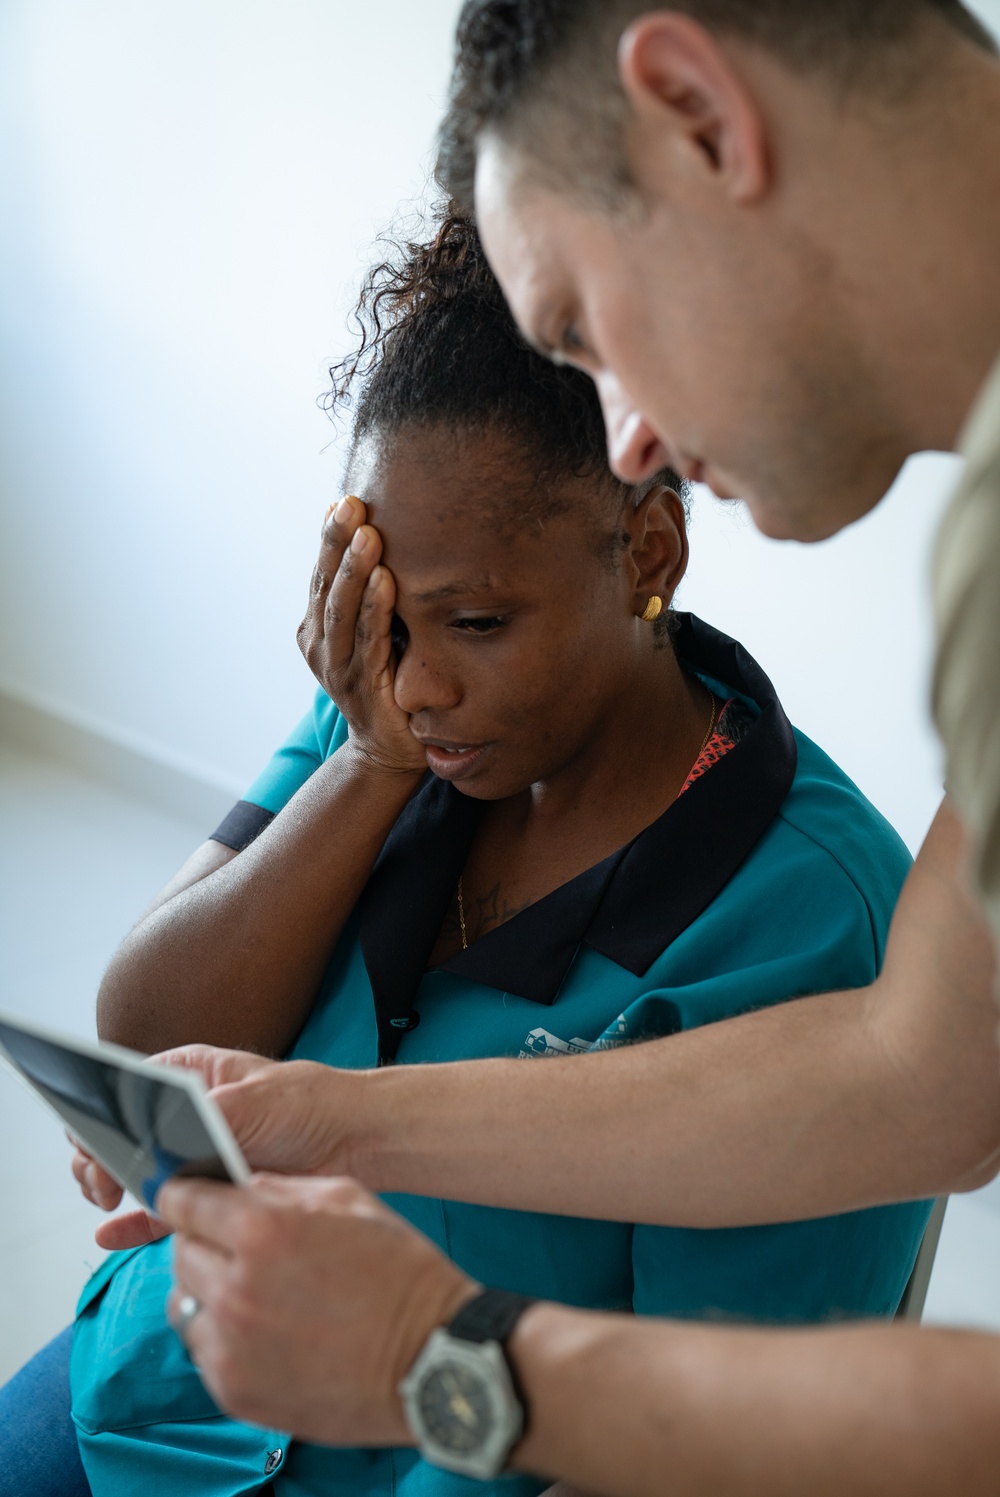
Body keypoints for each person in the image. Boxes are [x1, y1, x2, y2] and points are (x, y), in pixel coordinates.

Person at [65, 2, 1000, 1494]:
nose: (627, 434)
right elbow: (932, 1082)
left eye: (579, 329)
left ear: (699, 113)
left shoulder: (818, 885)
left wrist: (430, 1367)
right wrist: (322, 1114)